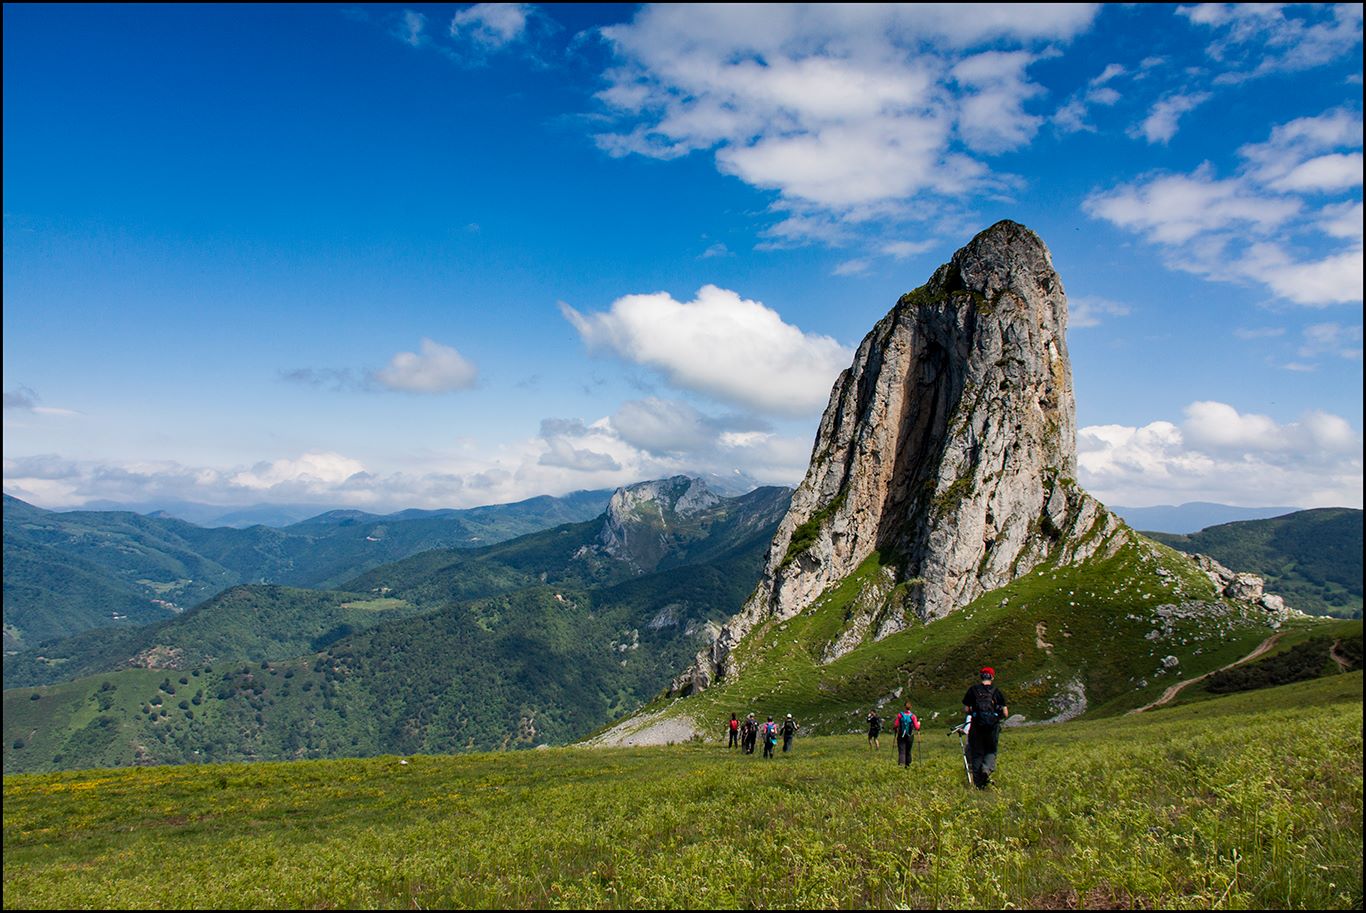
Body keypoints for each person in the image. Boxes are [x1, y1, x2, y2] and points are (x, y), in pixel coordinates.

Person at [962, 666, 1009, 788]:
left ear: (981, 677)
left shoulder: (973, 690)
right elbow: (1005, 713)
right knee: (991, 750)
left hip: (976, 726)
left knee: (977, 753)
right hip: (992, 727)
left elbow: (966, 709)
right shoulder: (996, 691)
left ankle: (979, 784)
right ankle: (986, 769)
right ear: (992, 677)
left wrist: (974, 712)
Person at [893, 701, 919, 767]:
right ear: (911, 707)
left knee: (901, 751)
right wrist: (919, 724)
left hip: (901, 735)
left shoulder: (900, 715)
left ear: (904, 707)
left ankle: (901, 765)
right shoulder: (913, 716)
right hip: (910, 736)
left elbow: (896, 725)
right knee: (908, 751)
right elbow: (916, 727)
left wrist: (895, 729)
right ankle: (908, 766)